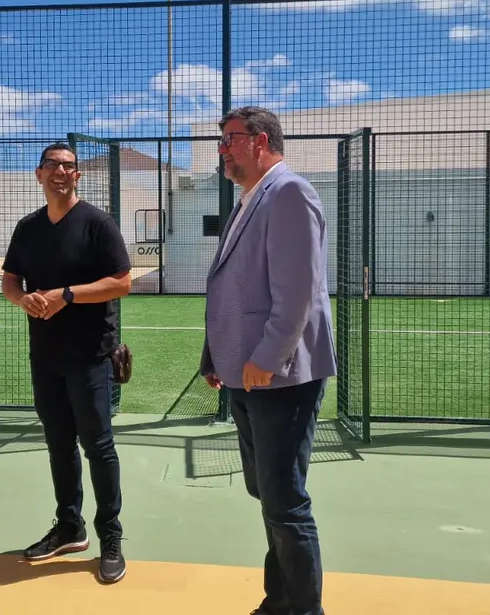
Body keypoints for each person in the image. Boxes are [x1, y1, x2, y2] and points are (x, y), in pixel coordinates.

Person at [199, 106, 336, 615]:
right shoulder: (251, 198)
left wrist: (267, 357)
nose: (223, 149)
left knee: (284, 499)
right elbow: (228, 288)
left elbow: (298, 290)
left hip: (279, 374)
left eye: (229, 139)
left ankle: (301, 609)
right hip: (245, 372)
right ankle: (278, 601)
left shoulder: (289, 192)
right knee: (267, 492)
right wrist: (216, 356)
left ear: (259, 141)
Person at [1, 141, 132, 585]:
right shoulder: (28, 228)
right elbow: (10, 281)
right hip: (46, 356)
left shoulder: (98, 224)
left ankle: (110, 536)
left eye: (69, 166)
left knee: (98, 446)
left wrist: (66, 295)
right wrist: (24, 299)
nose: (61, 171)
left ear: (78, 176)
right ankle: (69, 527)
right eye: (53, 165)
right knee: (59, 444)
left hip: (91, 355)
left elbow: (122, 282)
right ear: (38, 175)